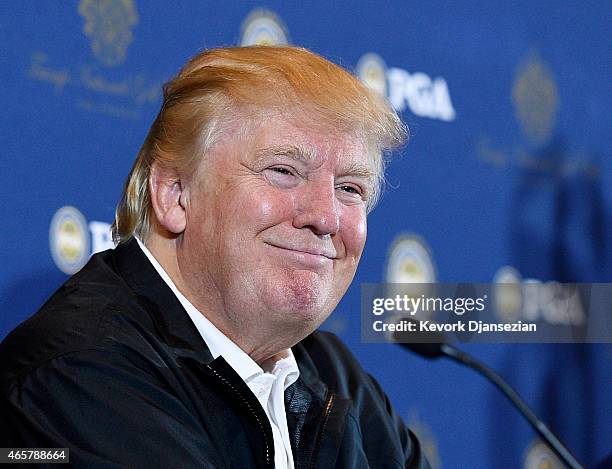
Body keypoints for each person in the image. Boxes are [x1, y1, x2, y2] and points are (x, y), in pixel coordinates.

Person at [0, 46, 429, 468]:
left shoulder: (334, 376)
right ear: (175, 195)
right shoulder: (79, 373)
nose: (326, 217)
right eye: (282, 171)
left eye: (350, 188)